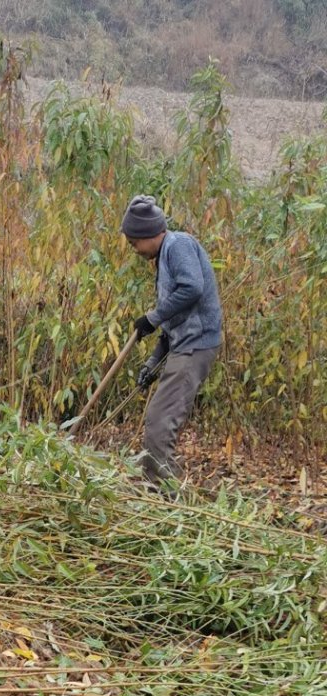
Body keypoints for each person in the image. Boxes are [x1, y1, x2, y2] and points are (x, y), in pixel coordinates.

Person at [121, 195, 222, 486]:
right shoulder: (165, 256)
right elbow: (173, 320)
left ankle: (165, 494)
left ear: (147, 234)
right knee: (158, 417)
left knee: (160, 419)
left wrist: (151, 318)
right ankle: (156, 484)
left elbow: (192, 287)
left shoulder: (177, 245)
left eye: (134, 243)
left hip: (197, 344)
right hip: (185, 343)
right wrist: (152, 363)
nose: (135, 250)